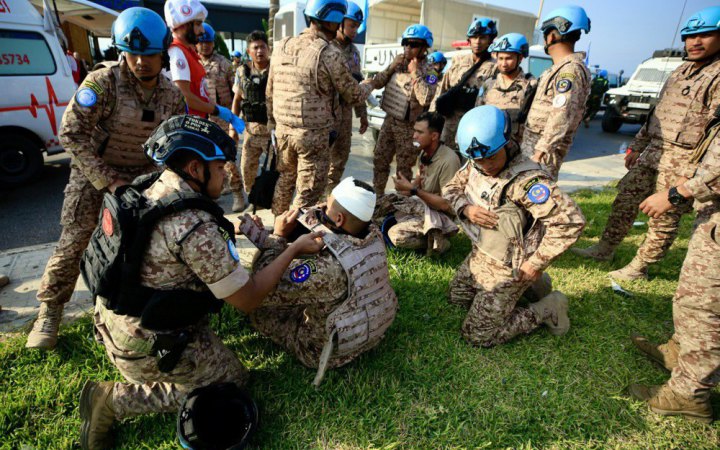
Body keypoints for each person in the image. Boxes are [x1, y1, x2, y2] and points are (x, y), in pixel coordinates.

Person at [78, 115, 325, 449]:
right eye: (220, 167)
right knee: (231, 379)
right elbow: (248, 298)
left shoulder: (151, 186)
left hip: (116, 323)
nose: (226, 174)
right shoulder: (193, 227)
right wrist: (292, 248)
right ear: (195, 169)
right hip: (145, 344)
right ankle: (110, 401)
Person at [26, 7, 187, 350]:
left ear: (162, 54)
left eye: (148, 55)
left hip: (143, 179)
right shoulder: (103, 83)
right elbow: (71, 134)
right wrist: (108, 180)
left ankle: (125, 308)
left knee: (141, 246)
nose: (141, 62)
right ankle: (50, 311)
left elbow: (173, 144)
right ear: (120, 51)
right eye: (132, 54)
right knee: (75, 242)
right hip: (95, 174)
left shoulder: (172, 95)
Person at [572, 6, 720, 280]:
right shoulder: (680, 71)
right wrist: (637, 147)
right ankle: (605, 248)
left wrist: (694, 174)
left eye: (705, 35)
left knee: (664, 217)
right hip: (654, 152)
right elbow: (657, 115)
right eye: (690, 36)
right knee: (625, 200)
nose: (695, 42)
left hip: (685, 161)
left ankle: (640, 267)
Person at [442, 105, 586, 347]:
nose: (485, 165)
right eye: (478, 160)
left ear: (507, 143)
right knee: (456, 298)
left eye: (491, 157)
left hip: (510, 266)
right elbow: (450, 188)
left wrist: (536, 263)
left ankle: (548, 307)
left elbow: (570, 222)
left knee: (477, 335)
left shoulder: (528, 182)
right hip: (482, 253)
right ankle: (535, 287)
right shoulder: (476, 160)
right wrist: (466, 209)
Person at [245, 176, 397, 386]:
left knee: (258, 311)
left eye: (327, 205)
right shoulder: (374, 235)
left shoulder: (327, 271)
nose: (322, 207)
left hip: (328, 350)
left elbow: (261, 286)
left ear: (340, 219)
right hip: (372, 329)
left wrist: (278, 238)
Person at [627, 109, 720, 424]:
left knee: (706, 307)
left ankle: (688, 394)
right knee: (693, 296)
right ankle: (680, 353)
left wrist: (680, 192)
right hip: (713, 212)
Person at [266, 0, 374, 215]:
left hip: (283, 131)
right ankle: (296, 239)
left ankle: (277, 227)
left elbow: (270, 91)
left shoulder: (283, 45)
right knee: (308, 192)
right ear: (334, 21)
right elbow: (353, 94)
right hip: (312, 137)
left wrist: (273, 123)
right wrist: (370, 84)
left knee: (285, 180)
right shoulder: (329, 54)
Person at [520, 5, 591, 180]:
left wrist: (540, 152)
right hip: (533, 145)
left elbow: (562, 114)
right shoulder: (559, 69)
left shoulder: (570, 71)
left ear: (551, 35)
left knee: (534, 200)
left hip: (543, 151)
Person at [367, 23, 439, 195]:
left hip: (409, 129)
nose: (408, 48)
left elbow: (426, 98)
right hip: (389, 121)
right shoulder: (398, 63)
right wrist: (391, 67)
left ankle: (401, 203)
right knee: (380, 161)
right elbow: (377, 83)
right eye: (406, 43)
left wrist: (415, 73)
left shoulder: (431, 72)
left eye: (413, 44)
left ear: (424, 47)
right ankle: (376, 197)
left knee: (404, 169)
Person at [375, 111, 460, 254]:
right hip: (424, 205)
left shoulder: (449, 160)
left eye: (419, 132)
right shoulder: (425, 153)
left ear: (434, 136)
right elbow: (417, 185)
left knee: (397, 236)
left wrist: (414, 191)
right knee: (379, 206)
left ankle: (440, 241)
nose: (414, 136)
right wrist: (406, 188)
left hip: (440, 215)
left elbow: (447, 204)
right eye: (415, 130)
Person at [163, 0, 244, 132]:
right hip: (186, 128)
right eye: (198, 24)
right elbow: (184, 97)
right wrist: (216, 110)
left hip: (196, 125)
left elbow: (198, 93)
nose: (202, 30)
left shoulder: (187, 52)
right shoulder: (178, 53)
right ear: (183, 25)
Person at [196, 22, 245, 212]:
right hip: (202, 120)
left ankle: (238, 194)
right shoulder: (194, 63)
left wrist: (235, 119)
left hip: (223, 119)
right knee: (204, 160)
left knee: (229, 158)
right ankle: (211, 194)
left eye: (208, 42)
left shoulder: (224, 63)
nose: (205, 45)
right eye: (202, 42)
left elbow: (237, 93)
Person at [431, 17, 497, 150]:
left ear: (490, 40)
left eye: (483, 37)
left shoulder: (495, 67)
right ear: (469, 40)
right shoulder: (458, 61)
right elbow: (442, 90)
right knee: (444, 157)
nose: (478, 42)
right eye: (474, 37)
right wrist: (431, 119)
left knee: (469, 160)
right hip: (450, 122)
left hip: (476, 124)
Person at [326, 1, 370, 192]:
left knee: (339, 160)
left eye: (357, 27)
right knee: (320, 162)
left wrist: (363, 114)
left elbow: (357, 85)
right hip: (325, 114)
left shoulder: (354, 53)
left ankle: (328, 197)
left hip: (345, 116)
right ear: (339, 22)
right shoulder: (326, 46)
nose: (355, 31)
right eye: (352, 25)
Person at [231, 30, 272, 200]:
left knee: (275, 171)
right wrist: (232, 127)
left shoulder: (277, 70)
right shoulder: (242, 72)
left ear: (268, 49)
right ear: (249, 51)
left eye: (263, 47)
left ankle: (271, 201)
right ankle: (252, 198)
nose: (259, 51)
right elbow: (237, 99)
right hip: (251, 131)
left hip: (273, 132)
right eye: (255, 48)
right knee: (247, 169)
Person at [476, 32, 537, 145]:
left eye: (508, 58)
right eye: (500, 58)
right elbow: (478, 115)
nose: (503, 63)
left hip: (518, 149)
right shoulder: (488, 84)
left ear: (520, 58)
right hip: (490, 147)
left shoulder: (530, 86)